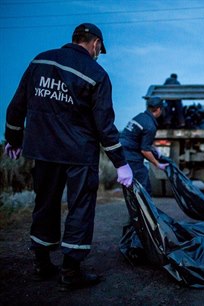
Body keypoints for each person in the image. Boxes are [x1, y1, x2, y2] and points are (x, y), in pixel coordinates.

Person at [4, 23, 133, 290]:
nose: (99, 53)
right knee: (80, 208)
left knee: (45, 203)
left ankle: (41, 263)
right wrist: (121, 164)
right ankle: (71, 271)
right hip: (79, 154)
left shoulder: (40, 60)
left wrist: (14, 139)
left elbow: (17, 105)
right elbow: (104, 126)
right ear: (95, 43)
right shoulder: (96, 73)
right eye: (100, 49)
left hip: (44, 150)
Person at [120, 96, 169, 195]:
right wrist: (157, 164)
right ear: (158, 109)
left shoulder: (140, 117)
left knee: (134, 186)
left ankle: (138, 208)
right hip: (131, 156)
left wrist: (156, 152)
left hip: (123, 152)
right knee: (144, 186)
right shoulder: (150, 126)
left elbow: (143, 142)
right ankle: (144, 210)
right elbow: (144, 150)